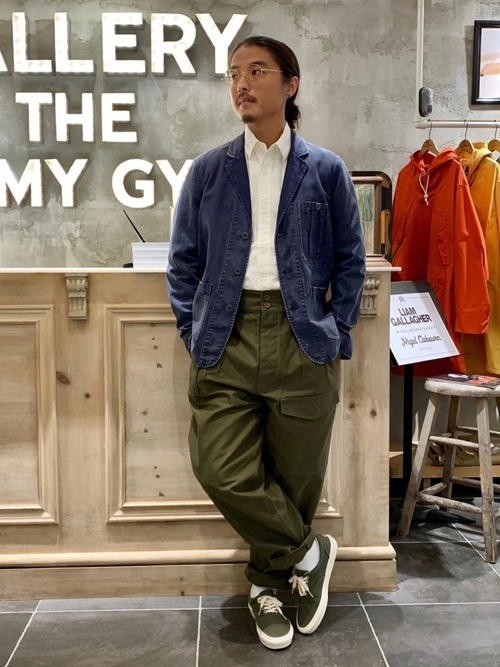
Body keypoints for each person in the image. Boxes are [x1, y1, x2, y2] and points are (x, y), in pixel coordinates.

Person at [167, 35, 366, 651]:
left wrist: (338, 332)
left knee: (295, 477)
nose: (242, 84)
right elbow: (183, 264)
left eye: (256, 71)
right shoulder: (207, 171)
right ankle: (308, 553)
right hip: (224, 337)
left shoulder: (326, 169)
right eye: (234, 74)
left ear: (290, 83)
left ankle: (268, 587)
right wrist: (192, 329)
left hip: (302, 336)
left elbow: (350, 261)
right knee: (219, 466)